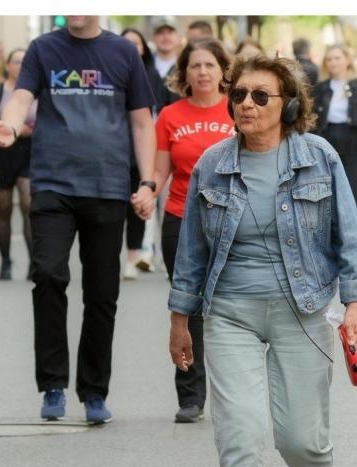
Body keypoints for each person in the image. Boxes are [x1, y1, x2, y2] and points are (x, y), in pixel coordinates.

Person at [166, 54, 357, 467]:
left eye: (261, 96)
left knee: (300, 438)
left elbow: (348, 234)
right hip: (229, 311)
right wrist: (179, 318)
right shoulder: (213, 162)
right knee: (239, 430)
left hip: (301, 311)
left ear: (289, 105)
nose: (246, 104)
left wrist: (353, 305)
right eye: (240, 96)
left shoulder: (317, 156)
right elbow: (190, 249)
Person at [0, 15, 156, 424]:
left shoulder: (122, 52)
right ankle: (52, 384)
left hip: (106, 186)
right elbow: (22, 96)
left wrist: (148, 181)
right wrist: (11, 124)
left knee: (102, 293)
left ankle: (94, 391)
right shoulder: (44, 48)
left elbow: (140, 122)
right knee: (47, 274)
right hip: (52, 183)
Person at [130, 38, 233, 424]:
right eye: (195, 66)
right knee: (187, 307)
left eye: (209, 65)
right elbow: (158, 170)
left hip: (233, 222)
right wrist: (147, 191)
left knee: (230, 305)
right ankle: (190, 394)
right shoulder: (171, 116)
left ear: (223, 70)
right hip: (181, 219)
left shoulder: (239, 109)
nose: (203, 72)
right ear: (184, 73)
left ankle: (234, 390)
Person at [121, 27, 175, 280]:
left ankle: (140, 254)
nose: (132, 48)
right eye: (126, 43)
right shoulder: (112, 73)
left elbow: (159, 112)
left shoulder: (152, 75)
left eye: (136, 43)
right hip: (115, 149)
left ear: (143, 47)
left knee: (146, 199)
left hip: (145, 148)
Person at [312, 45, 357, 224]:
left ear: (347, 60)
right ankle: (334, 231)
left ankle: (353, 226)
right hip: (327, 138)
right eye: (329, 59)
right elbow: (312, 119)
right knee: (329, 188)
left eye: (337, 58)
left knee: (355, 186)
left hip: (354, 140)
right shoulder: (321, 88)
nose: (333, 62)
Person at [0, 48, 37, 281]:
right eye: (16, 61)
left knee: (28, 204)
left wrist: (29, 131)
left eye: (24, 61)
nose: (20, 65)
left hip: (30, 151)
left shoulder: (37, 89)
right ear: (8, 65)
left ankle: (33, 262)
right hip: (2, 152)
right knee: (3, 206)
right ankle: (6, 261)